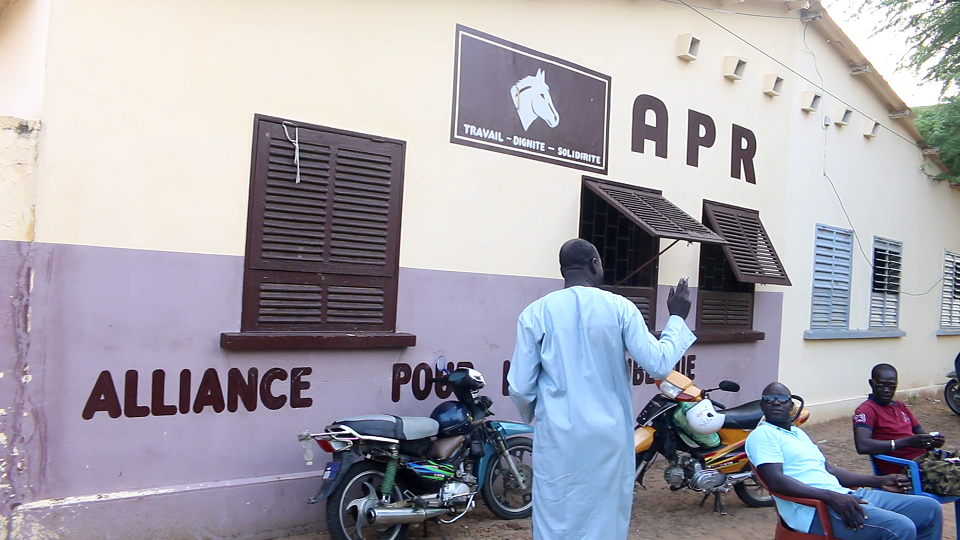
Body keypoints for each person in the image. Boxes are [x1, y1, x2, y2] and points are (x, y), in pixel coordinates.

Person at [507, 238, 696, 540]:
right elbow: (659, 364)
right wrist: (677, 317)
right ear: (595, 264)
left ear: (563, 270)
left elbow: (519, 387)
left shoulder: (535, 313)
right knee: (605, 519)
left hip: (558, 437)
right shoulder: (620, 308)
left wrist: (540, 415)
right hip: (609, 438)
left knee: (556, 515)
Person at [747, 381, 942, 540]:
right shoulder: (763, 434)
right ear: (762, 405)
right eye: (769, 399)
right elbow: (776, 481)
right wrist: (831, 497)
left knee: (930, 509)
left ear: (791, 406)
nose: (775, 402)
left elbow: (829, 470)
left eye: (782, 399)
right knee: (901, 527)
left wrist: (879, 481)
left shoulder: (798, 433)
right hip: (814, 508)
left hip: (843, 496)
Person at [853, 363, 960, 496]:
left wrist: (933, 441)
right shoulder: (867, 410)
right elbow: (862, 445)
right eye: (881, 385)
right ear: (872, 383)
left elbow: (922, 437)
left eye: (891, 386)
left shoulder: (900, 406)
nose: (886, 390)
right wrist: (907, 442)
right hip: (909, 469)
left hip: (928, 459)